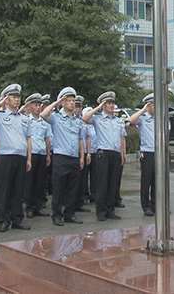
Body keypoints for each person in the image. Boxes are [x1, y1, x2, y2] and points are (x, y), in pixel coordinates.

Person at [0, 84, 32, 232]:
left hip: (21, 156)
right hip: (6, 156)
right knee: (5, 189)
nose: (17, 100)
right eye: (13, 97)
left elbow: (28, 139)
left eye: (18, 97)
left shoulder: (25, 118)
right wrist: (0, 104)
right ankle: (3, 220)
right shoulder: (1, 116)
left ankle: (17, 219)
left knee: (19, 190)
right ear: (7, 99)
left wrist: (29, 159)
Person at [41, 87, 85, 226]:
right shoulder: (57, 118)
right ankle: (57, 215)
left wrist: (82, 157)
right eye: (69, 101)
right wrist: (57, 102)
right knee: (59, 188)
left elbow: (80, 140)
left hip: (74, 157)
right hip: (61, 157)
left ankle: (70, 214)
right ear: (63, 103)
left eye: (73, 101)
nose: (72, 103)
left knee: (73, 188)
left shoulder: (78, 120)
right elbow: (43, 114)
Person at [82, 91, 126, 222]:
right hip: (103, 154)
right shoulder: (98, 118)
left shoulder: (118, 121)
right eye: (108, 103)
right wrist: (98, 108)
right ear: (103, 105)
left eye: (112, 103)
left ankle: (110, 210)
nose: (111, 106)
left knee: (113, 183)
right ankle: (101, 212)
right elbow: (85, 118)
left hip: (115, 154)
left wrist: (122, 154)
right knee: (102, 184)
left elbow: (122, 137)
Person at [22, 93, 52, 219]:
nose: (38, 108)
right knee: (30, 182)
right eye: (35, 105)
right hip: (31, 153)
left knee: (40, 182)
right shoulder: (25, 120)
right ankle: (29, 207)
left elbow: (47, 139)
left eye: (39, 105)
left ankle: (38, 206)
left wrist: (48, 154)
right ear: (30, 107)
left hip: (41, 153)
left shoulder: (44, 123)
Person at [128, 93, 156, 216]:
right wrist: (143, 109)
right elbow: (131, 120)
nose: (156, 107)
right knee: (147, 181)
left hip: (160, 153)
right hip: (148, 153)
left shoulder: (161, 118)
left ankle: (157, 204)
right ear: (149, 105)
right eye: (154, 105)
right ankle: (146, 206)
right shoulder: (143, 118)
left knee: (158, 181)